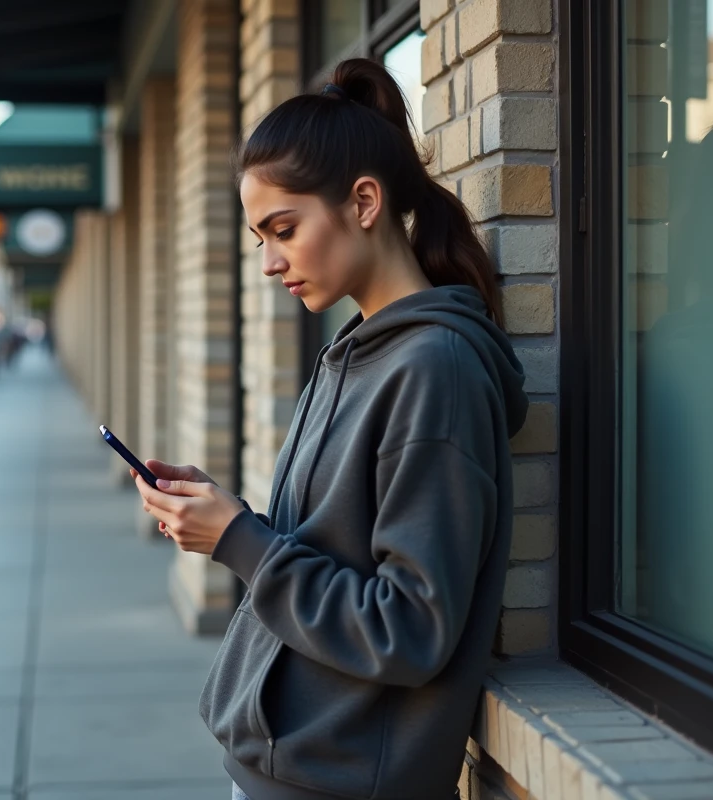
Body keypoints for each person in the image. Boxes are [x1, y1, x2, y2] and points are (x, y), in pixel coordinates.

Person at [132, 58, 528, 800]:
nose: (268, 262)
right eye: (258, 237)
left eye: (283, 229)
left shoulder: (433, 371)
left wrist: (239, 542)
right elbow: (324, 549)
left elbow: (408, 629)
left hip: (339, 784)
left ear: (365, 201)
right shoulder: (350, 354)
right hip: (282, 768)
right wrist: (232, 521)